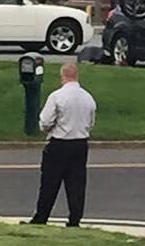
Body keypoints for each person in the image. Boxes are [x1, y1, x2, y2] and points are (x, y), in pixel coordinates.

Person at [30, 64, 97, 228]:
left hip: (60, 143)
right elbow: (91, 123)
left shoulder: (57, 96)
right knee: (76, 183)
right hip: (80, 144)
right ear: (77, 76)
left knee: (50, 182)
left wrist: (48, 128)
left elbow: (45, 121)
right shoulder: (88, 98)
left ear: (63, 76)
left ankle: (41, 217)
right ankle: (75, 218)